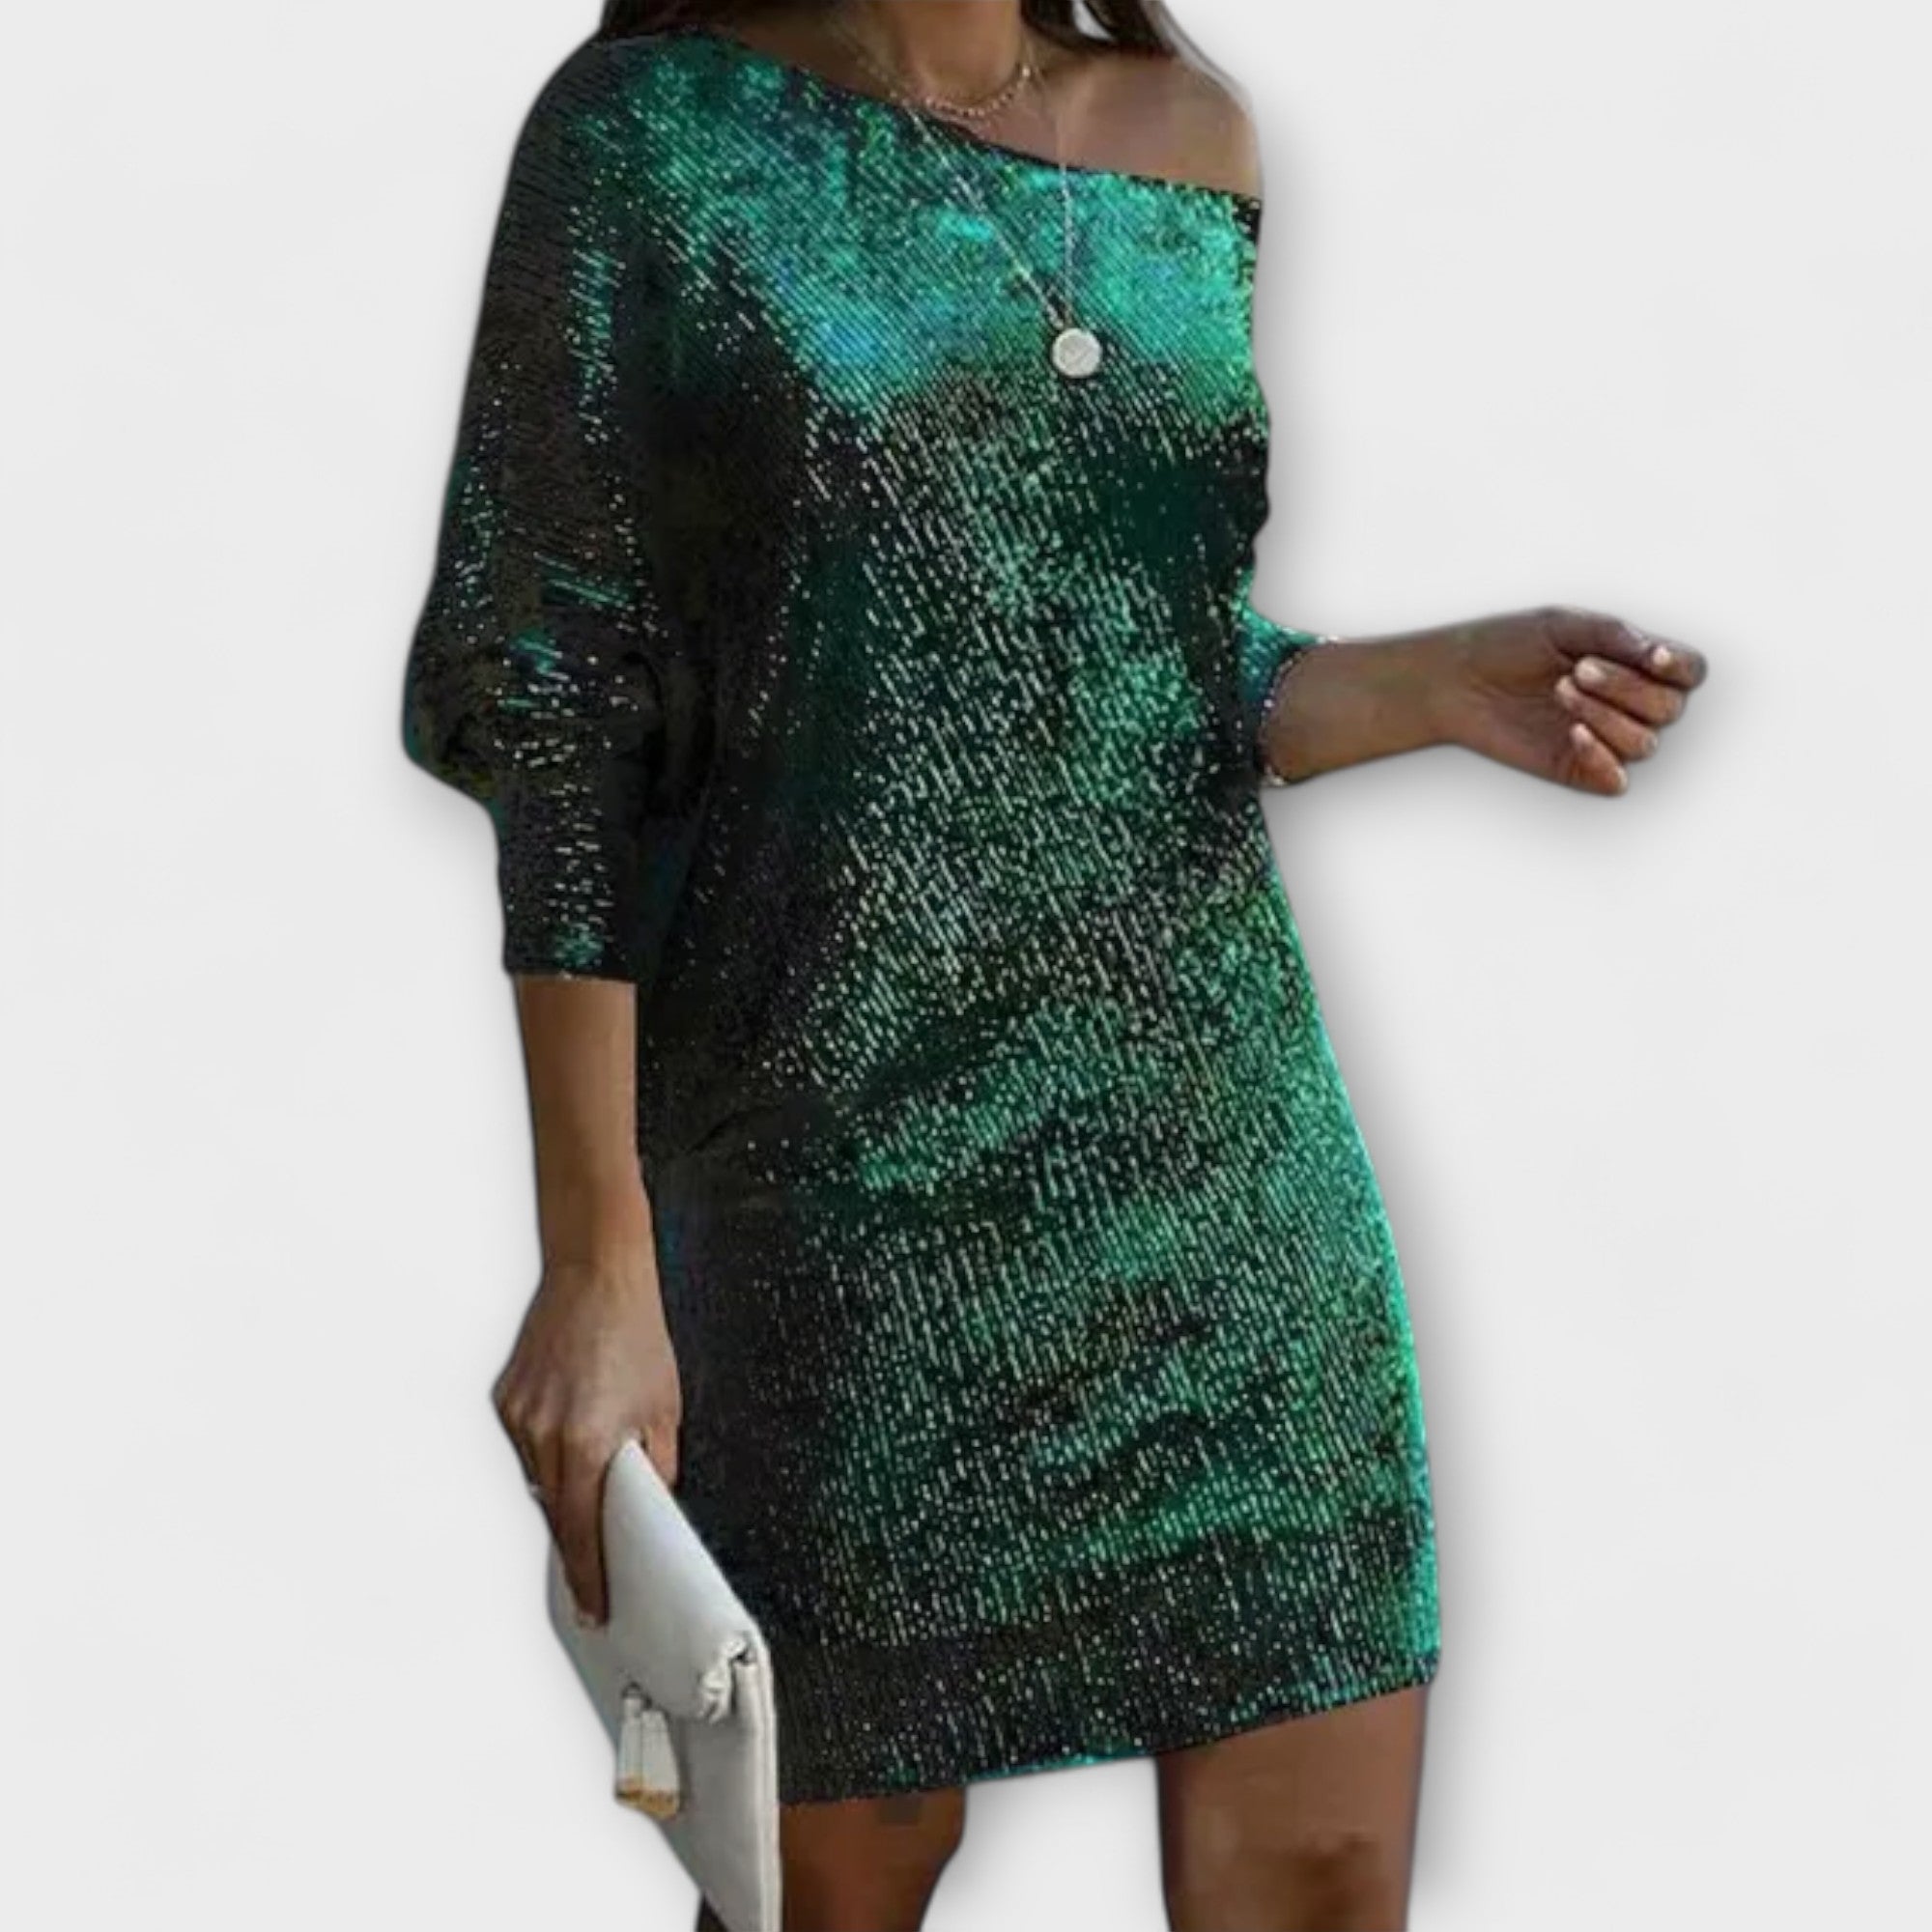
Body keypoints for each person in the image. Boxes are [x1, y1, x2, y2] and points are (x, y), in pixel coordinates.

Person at [399, 3, 1708, 1926]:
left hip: (1222, 1176)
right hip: (837, 1193)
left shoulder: (1193, 135)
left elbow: (1120, 657)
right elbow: (556, 698)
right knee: (834, 1882)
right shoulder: (649, 135)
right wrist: (597, 1261)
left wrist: (1425, 685)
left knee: (1319, 1870)